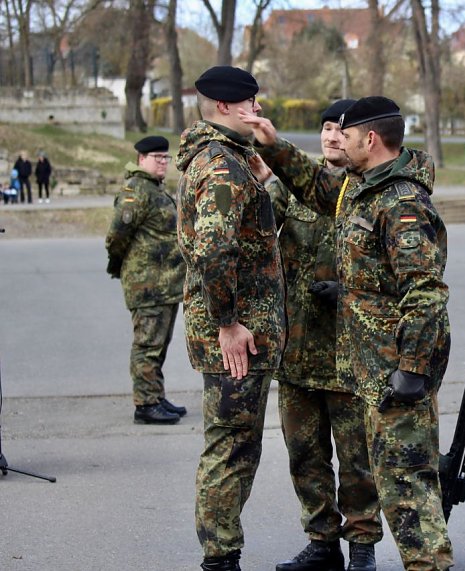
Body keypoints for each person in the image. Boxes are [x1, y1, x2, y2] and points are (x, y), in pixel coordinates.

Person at [242, 96, 454, 571]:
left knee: (408, 491)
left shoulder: (400, 203)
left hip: (395, 372)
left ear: (370, 138)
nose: (340, 139)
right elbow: (316, 186)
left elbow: (425, 291)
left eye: (348, 133)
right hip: (369, 367)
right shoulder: (361, 189)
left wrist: (413, 369)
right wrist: (275, 146)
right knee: (397, 488)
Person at [175, 66, 286, 571]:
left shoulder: (230, 160)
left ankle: (221, 551)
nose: (257, 109)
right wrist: (228, 324)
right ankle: (220, 557)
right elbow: (214, 252)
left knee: (236, 444)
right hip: (236, 333)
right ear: (224, 107)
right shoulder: (220, 166)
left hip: (239, 326)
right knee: (231, 448)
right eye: (249, 103)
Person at [270, 99, 382, 571]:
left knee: (358, 460)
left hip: (348, 354)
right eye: (326, 129)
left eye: (341, 129)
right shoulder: (293, 188)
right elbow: (254, 236)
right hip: (296, 351)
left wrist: (353, 290)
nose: (333, 137)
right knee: (305, 456)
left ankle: (361, 549)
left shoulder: (371, 192)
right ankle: (321, 544)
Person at [105, 135, 187, 424]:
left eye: (166, 158)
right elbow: (116, 237)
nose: (163, 163)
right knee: (147, 346)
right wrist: (125, 268)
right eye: (157, 158)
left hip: (165, 284)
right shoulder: (136, 190)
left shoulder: (155, 189)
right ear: (142, 159)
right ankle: (145, 404)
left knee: (159, 345)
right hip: (148, 284)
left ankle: (155, 395)